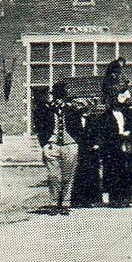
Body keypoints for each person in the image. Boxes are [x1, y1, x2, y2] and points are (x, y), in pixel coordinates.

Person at [35, 81, 83, 213]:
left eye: (62, 94)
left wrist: (77, 141)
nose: (60, 97)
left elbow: (79, 127)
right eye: (57, 94)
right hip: (52, 145)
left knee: (68, 176)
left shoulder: (72, 109)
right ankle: (54, 202)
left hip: (70, 145)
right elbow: (39, 127)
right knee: (54, 176)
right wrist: (44, 143)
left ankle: (66, 203)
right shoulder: (45, 109)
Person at [98, 89, 132, 206]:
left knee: (128, 170)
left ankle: (128, 196)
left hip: (127, 144)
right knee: (113, 171)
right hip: (112, 147)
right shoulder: (105, 116)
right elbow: (102, 132)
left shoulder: (127, 113)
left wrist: (129, 133)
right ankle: (114, 198)